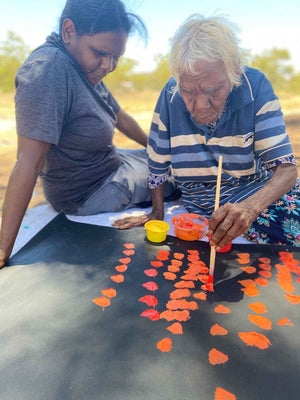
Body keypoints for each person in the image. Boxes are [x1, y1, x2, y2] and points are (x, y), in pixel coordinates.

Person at [0, 0, 177, 269]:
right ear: (69, 31)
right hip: (90, 189)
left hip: (112, 162)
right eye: (100, 53)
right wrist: (3, 248)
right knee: (181, 176)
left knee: (174, 162)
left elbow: (120, 117)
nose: (108, 65)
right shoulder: (47, 71)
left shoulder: (83, 67)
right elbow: (29, 161)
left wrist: (155, 148)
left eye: (116, 57)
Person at [113, 14, 300, 248]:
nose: (200, 105)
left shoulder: (255, 86)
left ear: (233, 75)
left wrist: (250, 208)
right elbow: (157, 160)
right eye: (188, 91)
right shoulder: (170, 94)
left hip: (254, 193)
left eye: (213, 90)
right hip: (201, 202)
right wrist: (157, 211)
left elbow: (286, 169)